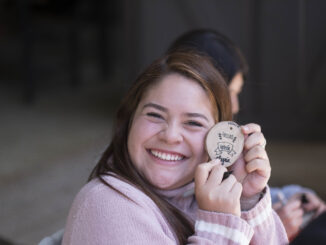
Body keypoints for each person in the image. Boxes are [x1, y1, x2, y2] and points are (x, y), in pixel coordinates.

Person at [61, 51, 287, 244]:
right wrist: (219, 227)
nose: (170, 136)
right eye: (155, 115)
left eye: (193, 123)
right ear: (129, 120)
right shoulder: (106, 205)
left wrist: (246, 199)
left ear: (218, 138)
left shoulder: (204, 197)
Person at [167, 29, 326, 241]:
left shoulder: (216, 146)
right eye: (230, 93)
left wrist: (294, 196)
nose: (236, 105)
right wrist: (263, 230)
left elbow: (243, 190)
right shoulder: (173, 171)